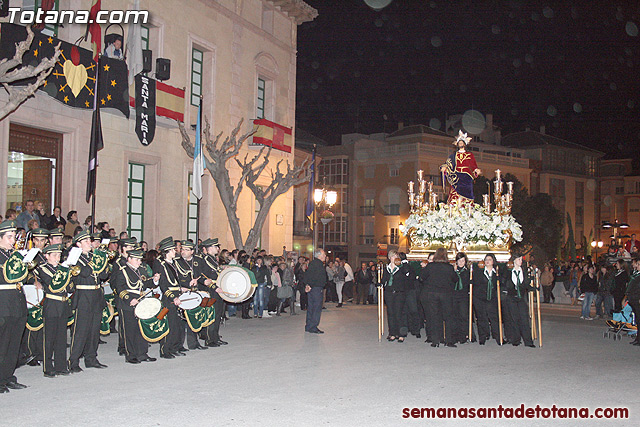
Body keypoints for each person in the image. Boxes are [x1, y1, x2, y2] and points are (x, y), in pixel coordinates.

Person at [68, 230, 110, 373]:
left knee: (94, 330)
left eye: (89, 241)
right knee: (81, 330)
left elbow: (103, 275)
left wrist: (104, 262)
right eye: (86, 241)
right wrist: (97, 261)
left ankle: (91, 358)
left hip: (96, 294)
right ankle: (73, 361)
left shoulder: (93, 256)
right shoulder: (75, 257)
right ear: (79, 244)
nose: (90, 244)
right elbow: (85, 272)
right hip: (83, 295)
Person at [111, 249, 160, 364]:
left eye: (140, 260)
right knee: (130, 330)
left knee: (141, 329)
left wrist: (155, 280)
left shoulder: (141, 271)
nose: (139, 262)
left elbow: (146, 284)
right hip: (127, 303)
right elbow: (119, 287)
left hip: (140, 302)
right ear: (129, 259)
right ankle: (130, 355)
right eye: (137, 260)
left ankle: (142, 353)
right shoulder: (123, 271)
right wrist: (129, 299)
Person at [0, 220, 29, 393]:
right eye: (9, 237)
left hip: (18, 303)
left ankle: (8, 376)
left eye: (13, 237)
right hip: (4, 303)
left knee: (14, 344)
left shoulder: (13, 255)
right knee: (3, 344)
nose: (13, 240)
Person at [36, 243, 73, 377]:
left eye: (59, 255)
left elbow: (70, 287)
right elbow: (53, 285)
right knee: (49, 337)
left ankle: (61, 365)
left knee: (61, 337)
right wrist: (64, 271)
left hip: (63, 304)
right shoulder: (43, 269)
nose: (58, 258)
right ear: (47, 256)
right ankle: (48, 367)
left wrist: (69, 274)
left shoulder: (62, 269)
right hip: (52, 304)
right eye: (55, 255)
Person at [153, 237, 186, 358]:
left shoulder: (173, 263)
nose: (175, 251)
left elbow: (177, 281)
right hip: (169, 298)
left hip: (177, 294)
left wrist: (182, 289)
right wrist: (173, 297)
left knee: (177, 324)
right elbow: (163, 285)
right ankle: (165, 350)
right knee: (169, 325)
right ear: (167, 251)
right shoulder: (161, 264)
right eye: (173, 250)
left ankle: (175, 347)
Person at [418, 248, 458, 347]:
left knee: (434, 316)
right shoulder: (449, 267)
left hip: (432, 294)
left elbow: (421, 278)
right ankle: (449, 340)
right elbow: (455, 279)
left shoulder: (430, 266)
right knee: (448, 317)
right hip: (446, 294)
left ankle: (435, 341)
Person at [501, 253, 536, 347]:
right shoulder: (508, 271)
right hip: (511, 298)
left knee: (524, 318)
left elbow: (525, 284)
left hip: (521, 298)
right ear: (514, 260)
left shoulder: (523, 271)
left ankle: (528, 341)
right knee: (514, 318)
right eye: (519, 259)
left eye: (521, 259)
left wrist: (532, 288)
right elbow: (504, 282)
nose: (521, 261)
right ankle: (516, 339)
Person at [440, 130, 482, 204]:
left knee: (467, 193)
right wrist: (445, 168)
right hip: (457, 175)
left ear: (465, 144)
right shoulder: (454, 155)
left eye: (462, 142)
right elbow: (448, 163)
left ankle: (467, 207)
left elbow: (473, 165)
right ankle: (454, 206)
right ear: (457, 144)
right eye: (459, 142)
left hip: (467, 176)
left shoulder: (469, 155)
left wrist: (476, 170)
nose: (460, 144)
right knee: (455, 192)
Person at [199, 238, 227, 347]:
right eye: (216, 247)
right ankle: (209, 339)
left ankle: (215, 337)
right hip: (211, 290)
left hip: (217, 288)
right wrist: (215, 287)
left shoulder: (213, 259)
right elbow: (206, 276)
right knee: (212, 314)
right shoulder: (206, 259)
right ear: (210, 248)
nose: (218, 249)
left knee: (218, 314)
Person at [381, 250, 411, 343]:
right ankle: (392, 333)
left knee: (399, 313)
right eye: (393, 256)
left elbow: (407, 272)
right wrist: (380, 284)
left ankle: (401, 334)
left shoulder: (401, 268)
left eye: (396, 256)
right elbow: (384, 279)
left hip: (399, 293)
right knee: (391, 313)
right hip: (389, 293)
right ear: (390, 258)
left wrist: (404, 262)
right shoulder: (387, 268)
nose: (395, 258)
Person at [472, 253, 501, 345]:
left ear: (493, 261)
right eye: (486, 260)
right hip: (480, 298)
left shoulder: (496, 273)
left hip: (492, 298)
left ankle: (497, 336)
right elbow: (475, 284)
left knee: (494, 318)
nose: (487, 261)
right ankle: (483, 337)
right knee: (481, 318)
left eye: (489, 259)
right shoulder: (479, 272)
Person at [304, 249, 328, 334]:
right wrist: (310, 285)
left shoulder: (312, 263)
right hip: (317, 288)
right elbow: (316, 277)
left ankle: (309, 325)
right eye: (324, 255)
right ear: (319, 255)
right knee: (317, 308)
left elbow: (308, 275)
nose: (325, 256)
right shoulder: (319, 265)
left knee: (311, 307)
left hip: (311, 288)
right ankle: (313, 326)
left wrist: (307, 285)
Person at [452, 252, 472, 344]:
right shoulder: (452, 271)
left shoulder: (468, 271)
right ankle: (455, 335)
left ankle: (463, 335)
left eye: (463, 260)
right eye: (459, 260)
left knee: (463, 316)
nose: (461, 262)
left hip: (463, 296)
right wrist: (454, 271)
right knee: (454, 315)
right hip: (454, 296)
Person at [625, 258, 640, 345]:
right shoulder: (635, 274)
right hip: (633, 299)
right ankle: (638, 338)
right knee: (637, 319)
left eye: (638, 264)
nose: (637, 266)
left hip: (637, 298)